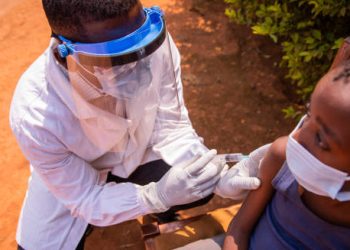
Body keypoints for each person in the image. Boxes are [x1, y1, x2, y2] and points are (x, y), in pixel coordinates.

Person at [10, 1, 266, 249]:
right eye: (117, 60)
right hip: (77, 174)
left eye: (139, 47)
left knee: (199, 186)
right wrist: (156, 196)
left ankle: (162, 214)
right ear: (63, 54)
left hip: (138, 152)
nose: (138, 67)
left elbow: (173, 128)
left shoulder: (153, 44)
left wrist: (219, 178)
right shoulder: (36, 115)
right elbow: (84, 198)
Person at [223, 63, 350, 249]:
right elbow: (239, 230)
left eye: (320, 139)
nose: (298, 136)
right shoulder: (281, 158)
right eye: (308, 114)